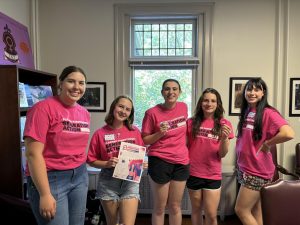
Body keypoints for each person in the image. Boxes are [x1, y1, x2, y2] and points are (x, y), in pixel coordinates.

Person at [24, 66, 90, 225]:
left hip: (79, 176)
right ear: (61, 84)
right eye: (71, 81)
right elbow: (33, 154)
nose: (77, 87)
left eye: (81, 83)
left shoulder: (84, 112)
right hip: (51, 179)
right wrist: (45, 194)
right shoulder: (42, 109)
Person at [234, 78, 295, 225]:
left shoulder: (268, 112)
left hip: (257, 171)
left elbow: (288, 133)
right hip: (245, 168)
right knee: (256, 210)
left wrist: (268, 143)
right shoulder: (248, 111)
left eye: (256, 89)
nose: (252, 93)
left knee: (241, 210)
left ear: (263, 93)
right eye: (249, 89)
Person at [87, 95, 145, 225]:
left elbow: (140, 154)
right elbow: (91, 160)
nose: (123, 111)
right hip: (108, 182)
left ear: (130, 113)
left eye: (128, 109)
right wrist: (106, 163)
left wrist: (142, 163)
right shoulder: (99, 133)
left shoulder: (135, 131)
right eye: (121, 106)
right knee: (112, 223)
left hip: (130, 180)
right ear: (114, 107)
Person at [141, 79, 190, 225]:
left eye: (175, 89)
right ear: (162, 92)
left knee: (175, 206)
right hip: (160, 161)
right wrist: (159, 134)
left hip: (181, 162)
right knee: (160, 207)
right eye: (167, 89)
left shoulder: (183, 107)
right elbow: (145, 140)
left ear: (179, 92)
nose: (171, 92)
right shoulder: (151, 113)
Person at [186, 88, 234, 225]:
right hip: (193, 172)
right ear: (201, 103)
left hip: (212, 174)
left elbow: (222, 153)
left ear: (218, 104)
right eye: (206, 100)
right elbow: (182, 146)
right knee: (196, 211)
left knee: (211, 214)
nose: (209, 103)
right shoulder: (191, 122)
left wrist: (224, 138)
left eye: (213, 101)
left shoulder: (224, 124)